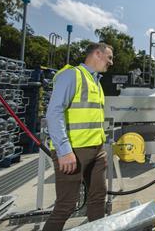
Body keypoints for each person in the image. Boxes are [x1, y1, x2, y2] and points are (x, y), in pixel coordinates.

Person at [43, 42, 113, 231]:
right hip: (74, 151)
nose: (111, 62)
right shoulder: (72, 76)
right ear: (97, 54)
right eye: (109, 57)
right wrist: (64, 150)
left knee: (98, 199)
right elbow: (53, 113)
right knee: (66, 206)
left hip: (97, 151)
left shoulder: (96, 82)